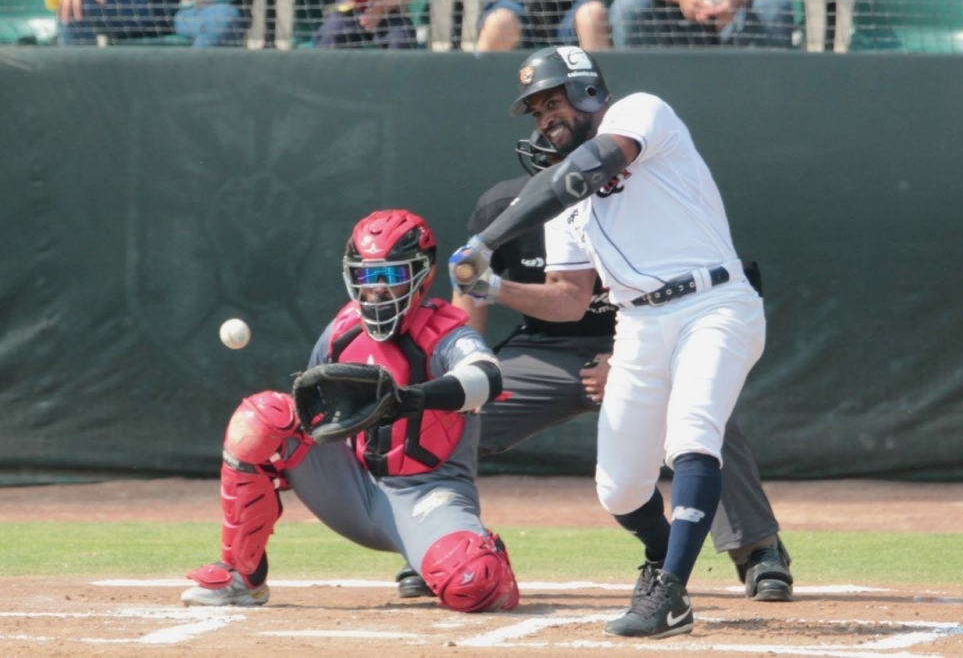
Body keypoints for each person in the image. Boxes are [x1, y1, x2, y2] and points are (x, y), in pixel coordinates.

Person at [448, 46, 767, 638]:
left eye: (553, 100)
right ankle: (664, 554)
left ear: (590, 93)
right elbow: (569, 299)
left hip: (713, 301)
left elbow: (593, 164)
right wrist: (492, 285)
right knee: (619, 489)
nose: (544, 117)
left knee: (694, 433)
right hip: (639, 324)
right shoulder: (569, 211)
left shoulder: (641, 112)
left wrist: (487, 240)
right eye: (536, 110)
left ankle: (670, 594)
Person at [394, 130, 792, 604]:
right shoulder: (502, 211)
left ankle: (758, 550)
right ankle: (439, 541)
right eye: (560, 169)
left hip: (642, 337)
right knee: (452, 418)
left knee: (706, 415)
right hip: (548, 350)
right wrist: (466, 379)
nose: (569, 176)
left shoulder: (643, 204)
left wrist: (622, 363)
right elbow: (469, 319)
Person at [181, 209, 519, 614]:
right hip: (351, 486)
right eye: (365, 277)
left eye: (391, 277)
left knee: (474, 584)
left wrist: (411, 399)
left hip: (427, 493)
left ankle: (448, 555)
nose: (375, 291)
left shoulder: (446, 331)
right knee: (259, 419)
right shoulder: (342, 331)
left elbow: (487, 377)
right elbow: (310, 416)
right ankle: (241, 573)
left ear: (421, 275)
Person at [608, 0, 794, 48]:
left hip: (743, 10)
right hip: (675, 14)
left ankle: (766, 104)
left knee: (772, 6)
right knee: (629, 6)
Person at [56, 0, 248, 46]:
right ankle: (82, 106)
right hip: (130, 5)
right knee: (74, 6)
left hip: (188, 8)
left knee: (224, 20)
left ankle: (187, 91)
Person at [476, 0, 612, 51]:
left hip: (572, 4)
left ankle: (600, 101)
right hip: (520, 4)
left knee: (592, 14)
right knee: (499, 22)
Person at [314, 0, 419, 48]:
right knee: (327, 37)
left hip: (390, 11)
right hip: (348, 12)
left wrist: (383, 7)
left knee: (401, 40)